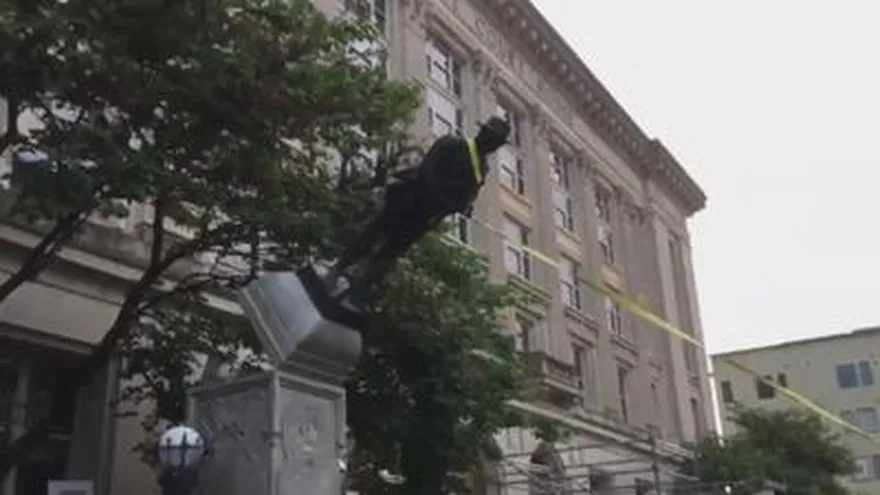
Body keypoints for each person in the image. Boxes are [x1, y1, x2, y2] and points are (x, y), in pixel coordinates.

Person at [329, 117, 511, 301]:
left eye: (497, 143)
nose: (493, 146)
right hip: (409, 199)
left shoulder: (482, 170)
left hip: (425, 217)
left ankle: (359, 291)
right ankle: (338, 268)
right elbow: (427, 171)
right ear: (483, 134)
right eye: (492, 139)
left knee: (391, 252)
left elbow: (469, 195)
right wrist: (446, 200)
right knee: (374, 233)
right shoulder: (452, 144)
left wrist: (464, 207)